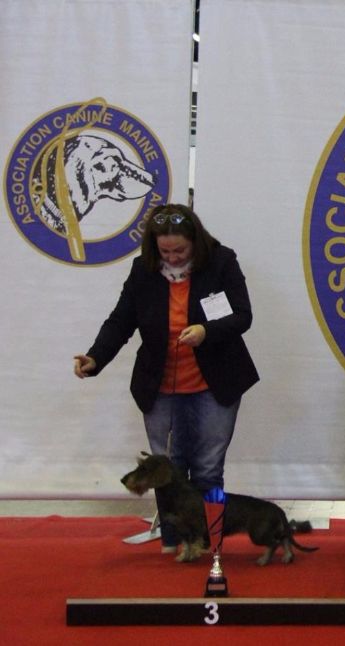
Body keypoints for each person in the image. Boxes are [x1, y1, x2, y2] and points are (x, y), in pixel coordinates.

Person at [73, 203, 259, 553]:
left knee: (208, 470)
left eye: (180, 250)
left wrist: (207, 330)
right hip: (159, 386)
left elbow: (243, 315)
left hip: (215, 383)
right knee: (166, 471)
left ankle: (210, 540)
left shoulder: (221, 262)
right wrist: (95, 357)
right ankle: (174, 541)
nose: (172, 258)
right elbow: (120, 321)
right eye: (165, 251)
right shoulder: (143, 271)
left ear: (196, 243)